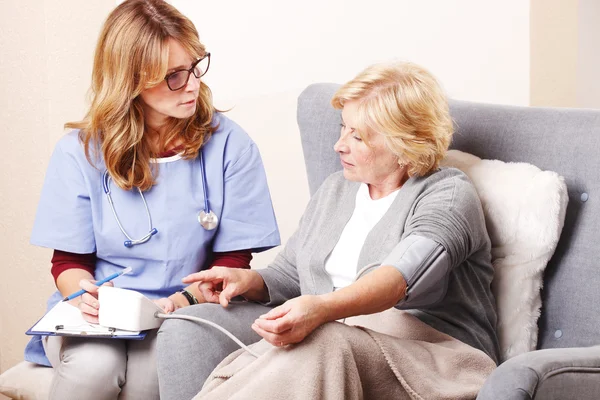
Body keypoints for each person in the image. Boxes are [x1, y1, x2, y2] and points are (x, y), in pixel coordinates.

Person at [157, 62, 500, 399]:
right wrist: (250, 283)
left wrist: (322, 310)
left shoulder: (448, 193)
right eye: (342, 128)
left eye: (358, 136)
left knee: (325, 339)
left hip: (435, 360)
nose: (339, 145)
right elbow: (291, 274)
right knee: (287, 352)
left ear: (404, 143)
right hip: (338, 348)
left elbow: (399, 279)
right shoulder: (337, 189)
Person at [24, 0, 280, 398]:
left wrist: (185, 299)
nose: (193, 84)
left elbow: (233, 260)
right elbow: (68, 262)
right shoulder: (79, 152)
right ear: (130, 81)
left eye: (195, 67)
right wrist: (85, 293)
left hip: (184, 310)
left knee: (151, 377)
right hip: (98, 313)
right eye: (174, 76)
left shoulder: (230, 145)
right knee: (93, 368)